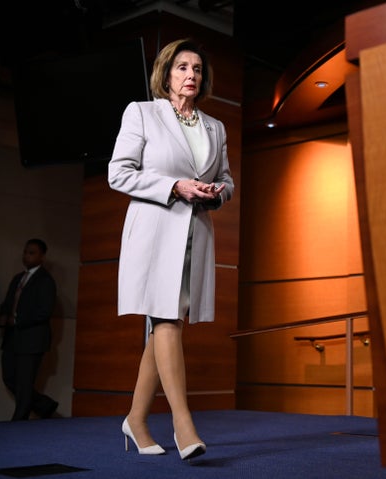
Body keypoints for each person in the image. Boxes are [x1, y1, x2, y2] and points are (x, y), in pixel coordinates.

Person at [108, 38, 234, 461]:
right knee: (166, 322)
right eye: (182, 67)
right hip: (155, 231)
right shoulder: (142, 113)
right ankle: (183, 424)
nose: (190, 76)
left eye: (197, 69)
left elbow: (229, 182)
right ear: (166, 74)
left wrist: (216, 193)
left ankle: (136, 420)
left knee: (167, 324)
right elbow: (118, 174)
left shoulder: (216, 128)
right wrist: (173, 186)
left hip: (195, 235)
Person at [0, 238, 59, 421]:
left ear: (42, 256)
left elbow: (44, 311)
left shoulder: (46, 281)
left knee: (24, 384)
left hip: (32, 340)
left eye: (32, 252)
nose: (27, 256)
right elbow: (8, 302)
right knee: (9, 378)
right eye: (25, 252)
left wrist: (16, 319)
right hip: (12, 338)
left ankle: (18, 422)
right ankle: (45, 405)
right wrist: (3, 316)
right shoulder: (18, 278)